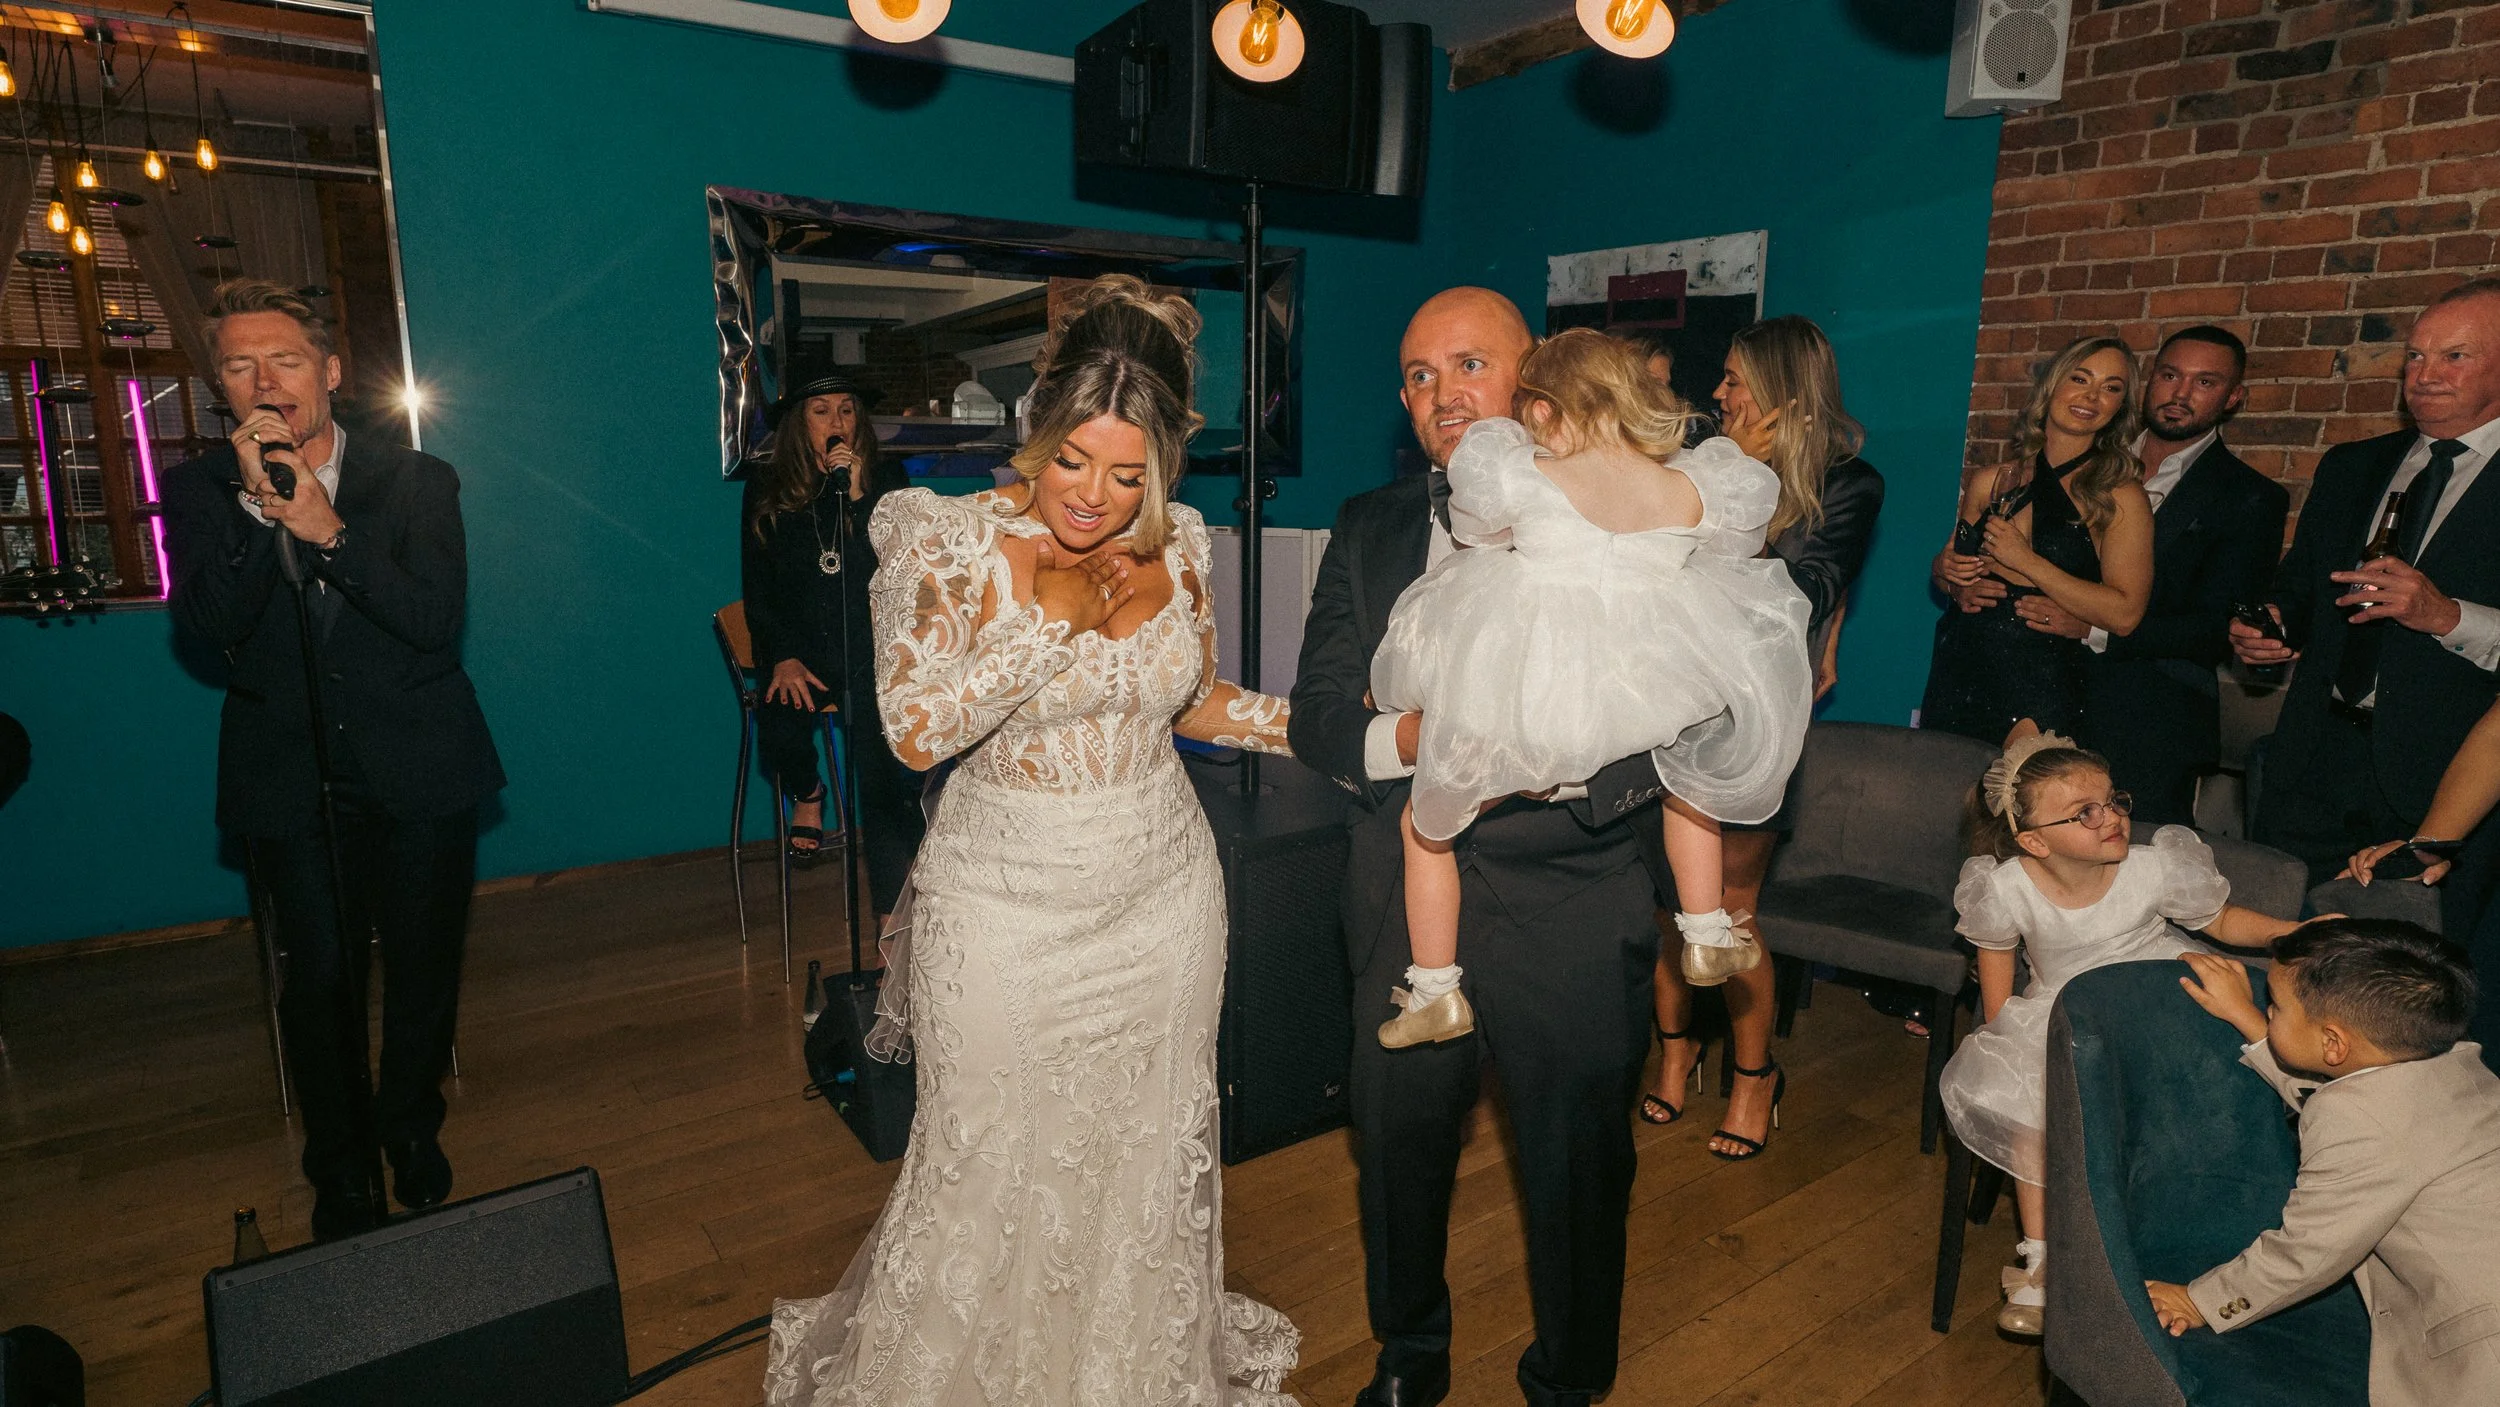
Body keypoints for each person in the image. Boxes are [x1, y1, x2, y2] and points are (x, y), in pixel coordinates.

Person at [763, 276, 1299, 1407]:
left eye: (1128, 474)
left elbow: (1191, 699)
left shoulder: (1185, 541)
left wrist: (1345, 736)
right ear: (1034, 427)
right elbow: (912, 734)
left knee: (1147, 1148)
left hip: (1160, 894)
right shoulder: (939, 536)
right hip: (1001, 905)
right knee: (991, 1154)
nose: (1098, 498)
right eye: (1073, 462)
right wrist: (1055, 623)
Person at [1291, 288, 1673, 1407]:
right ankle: (1409, 1360)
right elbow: (1320, 711)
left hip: (1573, 887)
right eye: (1418, 375)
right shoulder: (1365, 526)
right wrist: (1414, 735)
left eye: (1468, 364)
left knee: (1577, 1167)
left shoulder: (1625, 510)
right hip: (1399, 887)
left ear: (1535, 377)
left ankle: (1570, 1381)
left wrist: (1571, 758)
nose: (1442, 393)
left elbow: (1696, 704)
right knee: (1397, 1150)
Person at [163, 279, 505, 1240]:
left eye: (285, 359)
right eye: (239, 365)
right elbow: (205, 629)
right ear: (220, 385)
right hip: (285, 775)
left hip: (421, 763)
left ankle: (410, 1129)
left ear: (330, 371)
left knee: (425, 969)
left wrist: (330, 533)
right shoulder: (197, 489)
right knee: (316, 979)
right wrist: (252, 514)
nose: (265, 380)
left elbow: (434, 621)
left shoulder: (417, 481)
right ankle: (342, 1168)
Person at [1369, 331, 1808, 1053]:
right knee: (1688, 787)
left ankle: (1435, 989)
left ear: (1543, 411)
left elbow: (1477, 533)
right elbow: (1730, 551)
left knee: (1428, 824)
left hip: (1538, 693)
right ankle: (1704, 929)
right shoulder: (1694, 485)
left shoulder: (1528, 474)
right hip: (1651, 686)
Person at [1939, 734, 2299, 1337]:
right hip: (2070, 1008)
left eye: (2113, 801)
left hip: (2161, 994)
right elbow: (1998, 1002)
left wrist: (2294, 932)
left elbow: (2222, 921)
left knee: (2220, 1082)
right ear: (2034, 841)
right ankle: (2042, 1259)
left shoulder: (2153, 865)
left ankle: (2194, 1240)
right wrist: (2008, 1055)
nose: (2111, 818)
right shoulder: (2004, 889)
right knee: (2026, 1094)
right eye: (2085, 813)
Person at [1644, 314, 1886, 1159]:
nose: (1719, 393)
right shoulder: (1699, 459)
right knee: (1669, 908)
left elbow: (1809, 589)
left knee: (1732, 911)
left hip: (1749, 725)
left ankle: (1754, 1077)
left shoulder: (1850, 482)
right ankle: (1674, 1056)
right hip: (1660, 712)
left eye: (1737, 380)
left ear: (1784, 393)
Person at [2234, 277, 2500, 943]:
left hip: (2443, 783)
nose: (2425, 375)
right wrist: (2274, 627)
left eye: (2454, 357)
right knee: (2288, 953)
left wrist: (2448, 615)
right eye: (2415, 356)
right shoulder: (2355, 465)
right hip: (2312, 760)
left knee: (2404, 987)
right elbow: (2304, 587)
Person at [2152, 921, 2500, 1407]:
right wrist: (2251, 1021)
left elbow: (2308, 1252)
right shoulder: (2457, 1063)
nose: (2268, 1012)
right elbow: (2359, 1102)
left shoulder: (2361, 1120)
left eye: (2274, 1007)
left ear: (2334, 1042)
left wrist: (2199, 1300)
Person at [1967, 327, 2288, 827]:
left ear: (2233, 397)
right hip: (2036, 686)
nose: (2180, 394)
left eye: (2205, 382)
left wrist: (2090, 626)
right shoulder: (2081, 461)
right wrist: (1955, 575)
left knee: (2125, 868)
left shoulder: (2250, 498)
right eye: (2169, 375)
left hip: (2151, 714)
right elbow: (1990, 559)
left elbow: (2215, 626)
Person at [739, 371, 923, 916]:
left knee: (886, 760)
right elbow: (759, 587)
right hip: (802, 646)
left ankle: (898, 902)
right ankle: (809, 792)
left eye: (846, 410)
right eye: (822, 411)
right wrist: (783, 655)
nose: (837, 422)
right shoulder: (768, 486)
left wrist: (862, 497)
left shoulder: (889, 478)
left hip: (874, 647)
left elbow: (903, 569)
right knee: (780, 709)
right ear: (802, 424)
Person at [1923, 337, 2154, 745]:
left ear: (2121, 406)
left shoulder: (2118, 494)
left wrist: (2026, 561)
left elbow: (2125, 614)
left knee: (2025, 802)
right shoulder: (1991, 480)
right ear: (2052, 385)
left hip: (2043, 680)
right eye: (2080, 378)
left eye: (2111, 387)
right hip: (1964, 665)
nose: (2092, 396)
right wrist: (1951, 577)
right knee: (1946, 797)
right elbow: (1947, 573)